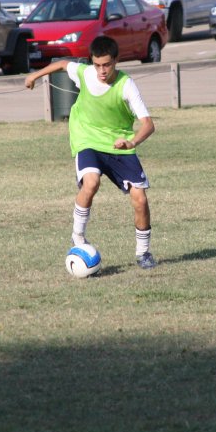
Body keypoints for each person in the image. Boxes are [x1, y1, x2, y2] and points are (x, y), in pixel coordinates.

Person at [24, 36, 157, 270]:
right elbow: (63, 64)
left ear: (116, 61)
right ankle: (77, 237)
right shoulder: (85, 73)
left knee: (140, 198)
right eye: (97, 65)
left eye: (107, 64)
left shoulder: (126, 85)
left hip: (119, 145)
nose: (102, 71)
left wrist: (132, 141)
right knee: (91, 182)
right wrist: (34, 75)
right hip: (86, 138)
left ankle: (143, 253)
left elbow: (148, 124)